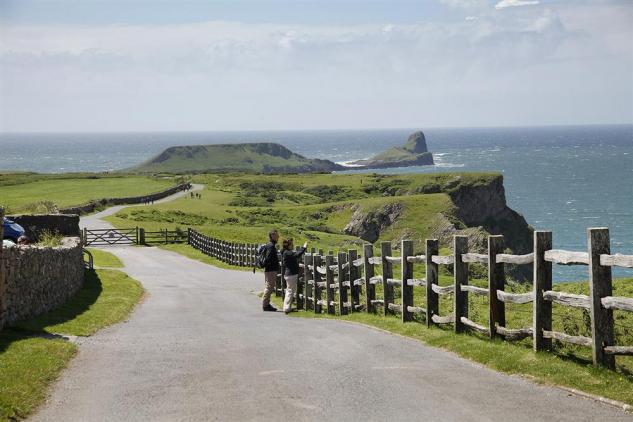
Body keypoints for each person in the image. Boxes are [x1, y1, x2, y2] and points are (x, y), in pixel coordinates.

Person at [281, 238, 307, 314]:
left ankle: (286, 306)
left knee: (290, 290)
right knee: (290, 291)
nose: (293, 246)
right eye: (292, 244)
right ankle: (286, 308)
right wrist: (304, 247)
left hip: (290, 274)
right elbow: (297, 254)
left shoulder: (286, 252)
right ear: (288, 245)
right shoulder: (287, 253)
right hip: (291, 274)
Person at [261, 229, 280, 312]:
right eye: (276, 235)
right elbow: (268, 258)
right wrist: (274, 263)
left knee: (269, 286)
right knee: (269, 287)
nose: (278, 236)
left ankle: (266, 304)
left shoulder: (270, 245)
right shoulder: (271, 246)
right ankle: (265, 305)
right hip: (271, 269)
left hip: (270, 269)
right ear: (272, 236)